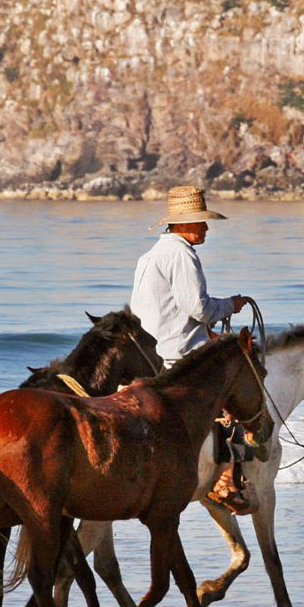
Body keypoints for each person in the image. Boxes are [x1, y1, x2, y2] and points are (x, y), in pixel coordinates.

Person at [129, 186, 254, 511]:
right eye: (201, 222)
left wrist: (207, 331)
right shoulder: (182, 254)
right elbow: (198, 308)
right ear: (184, 224)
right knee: (235, 398)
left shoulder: (149, 256)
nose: (207, 229)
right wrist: (230, 305)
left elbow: (165, 308)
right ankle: (228, 482)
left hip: (153, 346)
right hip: (179, 351)